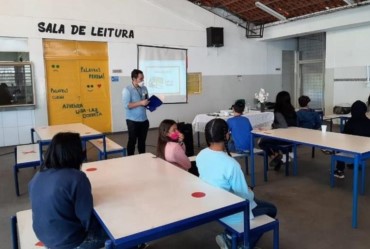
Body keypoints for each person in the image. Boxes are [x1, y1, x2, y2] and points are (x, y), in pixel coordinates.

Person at [196, 119, 277, 249]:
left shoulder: (201, 155)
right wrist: (251, 193)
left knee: (259, 203)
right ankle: (243, 245)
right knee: (271, 209)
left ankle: (228, 236)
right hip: (231, 209)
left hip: (211, 202)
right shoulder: (231, 164)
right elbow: (243, 196)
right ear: (227, 135)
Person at [29, 132, 108, 249]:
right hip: (70, 241)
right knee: (119, 230)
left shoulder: (38, 175)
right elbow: (85, 219)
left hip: (43, 235)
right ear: (74, 153)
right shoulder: (77, 178)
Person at [258, 91, 297, 170]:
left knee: (261, 141)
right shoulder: (292, 110)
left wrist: (274, 126)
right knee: (270, 140)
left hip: (284, 138)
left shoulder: (278, 112)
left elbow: (283, 126)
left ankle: (274, 156)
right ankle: (277, 156)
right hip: (294, 137)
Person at [334, 100, 370, 179]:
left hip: (353, 150)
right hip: (366, 152)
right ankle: (356, 164)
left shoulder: (350, 123)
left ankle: (339, 170)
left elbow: (344, 136)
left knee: (339, 148)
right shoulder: (368, 122)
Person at [122, 69, 150, 156]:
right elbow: (127, 105)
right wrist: (141, 103)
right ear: (134, 79)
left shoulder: (144, 88)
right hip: (132, 121)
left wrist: (150, 104)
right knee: (132, 141)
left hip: (144, 120)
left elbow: (146, 100)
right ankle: (130, 159)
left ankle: (143, 158)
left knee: (142, 142)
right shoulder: (127, 90)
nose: (142, 80)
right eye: (140, 79)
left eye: (143, 78)